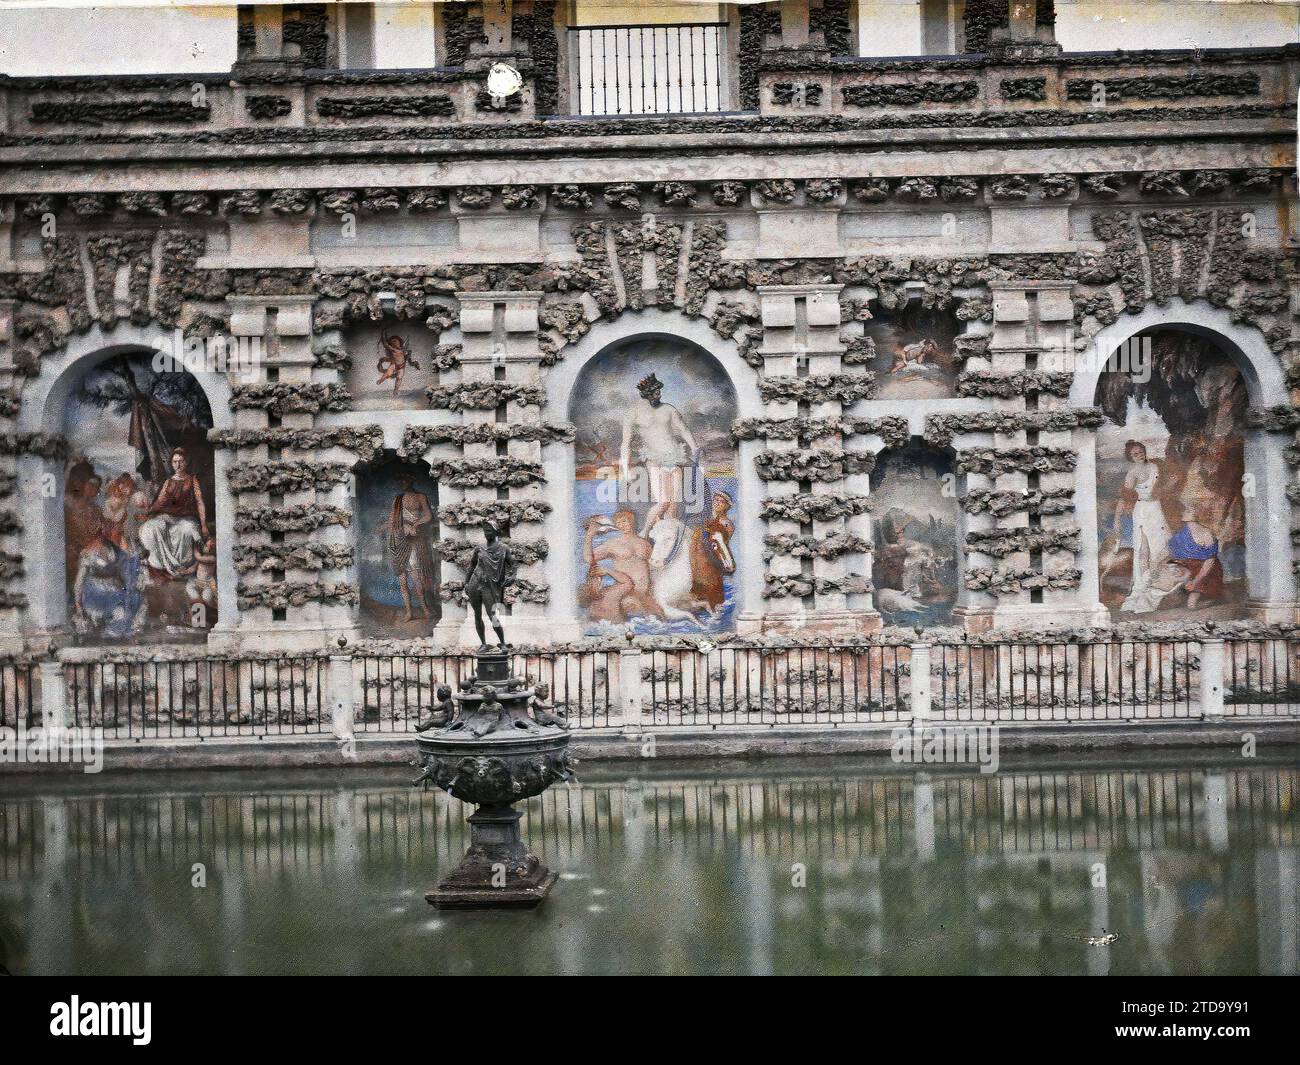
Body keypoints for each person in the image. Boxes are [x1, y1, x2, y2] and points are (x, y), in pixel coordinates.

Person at [619, 373, 698, 538]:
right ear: (646, 394)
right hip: (654, 460)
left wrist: (694, 447)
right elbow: (625, 443)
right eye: (655, 392)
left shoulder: (669, 409)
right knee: (662, 502)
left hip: (674, 457)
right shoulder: (633, 413)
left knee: (675, 504)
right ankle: (645, 532)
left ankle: (668, 537)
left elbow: (683, 429)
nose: (659, 395)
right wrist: (625, 470)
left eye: (659, 392)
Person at [580, 510, 661, 624]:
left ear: (631, 522)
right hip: (627, 593)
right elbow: (588, 559)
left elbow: (654, 569)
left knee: (660, 617)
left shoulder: (645, 544)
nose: (621, 525)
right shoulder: (612, 544)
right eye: (618, 523)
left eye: (624, 521)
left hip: (645, 594)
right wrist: (589, 535)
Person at [1118, 441, 1172, 613]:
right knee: (1143, 550)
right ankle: (1142, 587)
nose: (1139, 455)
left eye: (1141, 452)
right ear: (1130, 457)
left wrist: (1165, 488)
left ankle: (1159, 586)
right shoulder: (1132, 473)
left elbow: (1168, 481)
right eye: (1135, 454)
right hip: (1141, 510)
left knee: (1161, 546)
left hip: (1156, 508)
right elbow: (1125, 497)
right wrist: (1117, 520)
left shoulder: (1156, 466)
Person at [138, 447, 207, 577]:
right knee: (153, 527)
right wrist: (149, 512)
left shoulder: (192, 480)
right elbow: (160, 501)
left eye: (181, 461)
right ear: (171, 463)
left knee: (188, 528)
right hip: (166, 516)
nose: (178, 464)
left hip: (185, 517)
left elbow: (199, 502)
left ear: (186, 462)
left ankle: (184, 565)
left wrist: (203, 525)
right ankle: (159, 563)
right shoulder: (168, 481)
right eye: (175, 462)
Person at [382, 473, 436, 621]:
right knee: (402, 579)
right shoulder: (397, 500)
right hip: (399, 540)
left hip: (415, 540)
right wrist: (398, 527)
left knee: (416, 578)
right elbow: (392, 519)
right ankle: (408, 612)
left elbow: (428, 516)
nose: (402, 482)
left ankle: (425, 609)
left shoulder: (420, 497)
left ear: (411, 481)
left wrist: (416, 524)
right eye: (400, 480)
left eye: (405, 479)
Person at [462, 522, 514, 649]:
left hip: (490, 585)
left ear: (496, 532)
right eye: (485, 531)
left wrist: (512, 577)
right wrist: (466, 583)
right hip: (475, 583)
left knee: (493, 616)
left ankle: (502, 642)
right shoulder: (479, 548)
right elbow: (472, 565)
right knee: (477, 614)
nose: (487, 534)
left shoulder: (504, 548)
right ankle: (484, 644)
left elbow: (513, 565)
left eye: (489, 531)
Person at [376, 327, 419, 393]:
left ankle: (395, 390)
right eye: (392, 342)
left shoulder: (403, 350)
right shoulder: (394, 350)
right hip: (394, 365)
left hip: (401, 366)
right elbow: (385, 345)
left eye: (395, 341)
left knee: (399, 378)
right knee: (388, 374)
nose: (394, 343)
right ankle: (381, 380)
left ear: (399, 342)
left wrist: (410, 359)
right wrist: (383, 335)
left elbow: (408, 359)